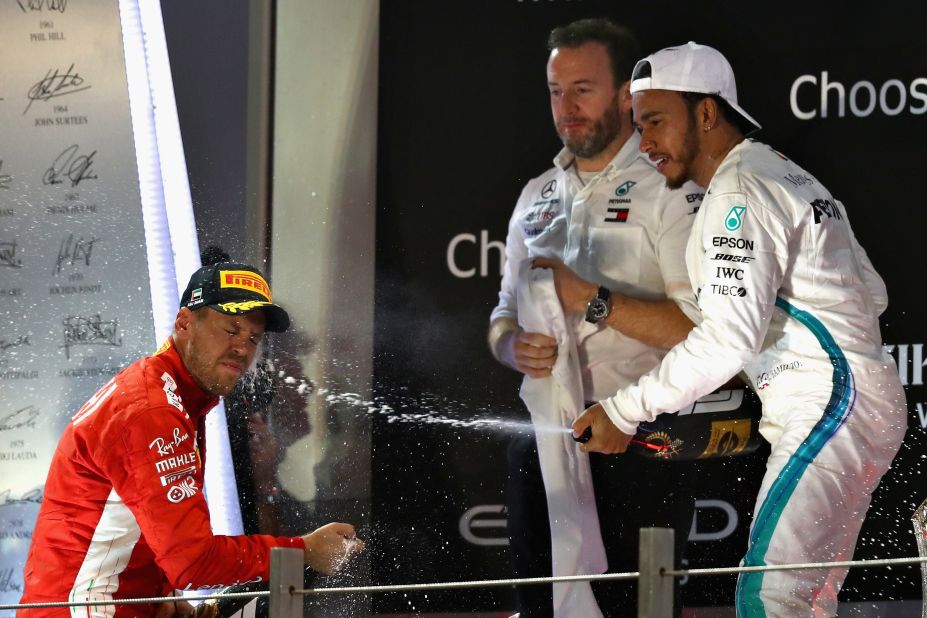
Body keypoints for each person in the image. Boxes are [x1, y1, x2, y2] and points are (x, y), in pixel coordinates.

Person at [573, 41, 907, 616]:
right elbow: (871, 291)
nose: (643, 142)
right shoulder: (788, 175)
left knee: (769, 598)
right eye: (637, 125)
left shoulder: (737, 192)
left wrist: (624, 410)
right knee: (805, 600)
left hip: (829, 406)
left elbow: (728, 338)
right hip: (853, 399)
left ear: (706, 112)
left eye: (655, 121)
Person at [488, 18, 705, 617]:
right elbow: (502, 314)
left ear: (624, 95)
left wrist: (591, 298)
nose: (567, 107)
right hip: (547, 437)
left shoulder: (670, 186)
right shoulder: (536, 193)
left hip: (638, 434)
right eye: (556, 91)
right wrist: (511, 346)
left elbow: (704, 330)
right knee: (540, 608)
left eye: (583, 89)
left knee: (636, 607)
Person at [19, 261, 365, 617]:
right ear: (184, 323)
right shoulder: (152, 410)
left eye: (253, 339)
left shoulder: (170, 396)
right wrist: (302, 552)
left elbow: (132, 526)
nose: (242, 349)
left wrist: (167, 600)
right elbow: (192, 562)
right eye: (231, 329)